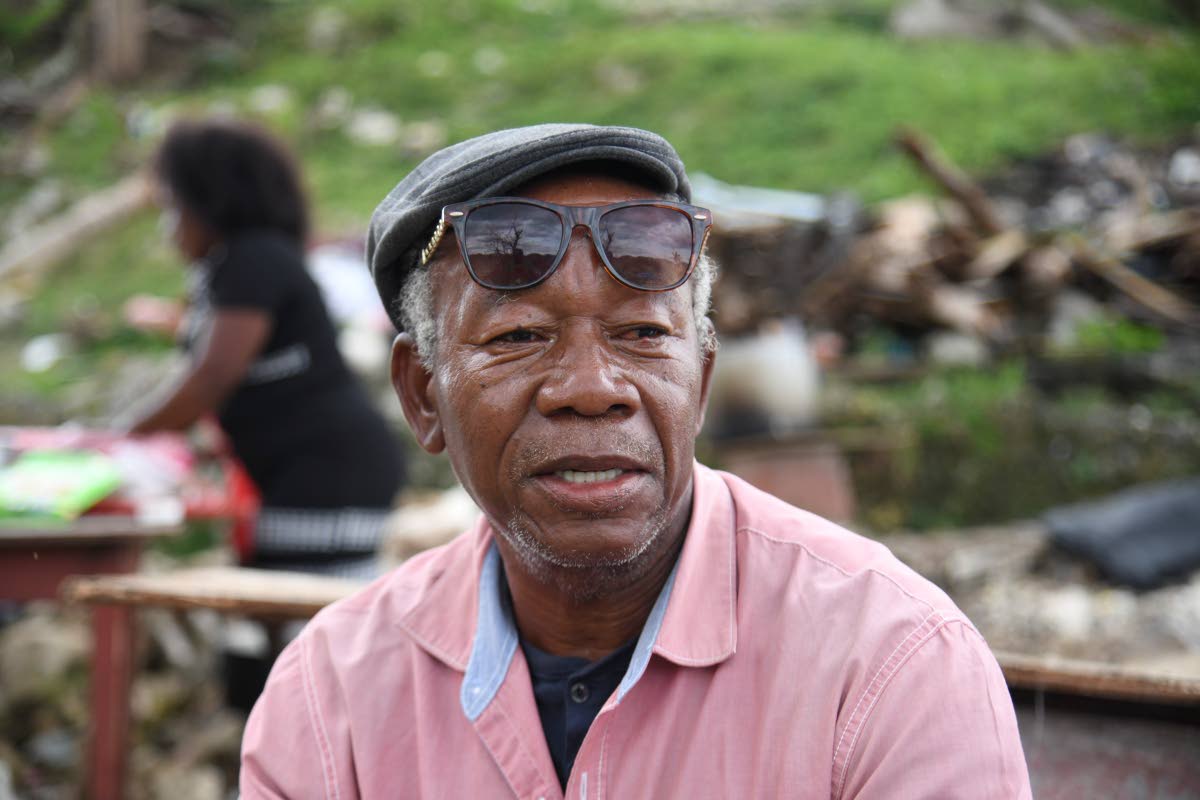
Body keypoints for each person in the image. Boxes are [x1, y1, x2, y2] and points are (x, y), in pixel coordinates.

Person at [241, 124, 1031, 799]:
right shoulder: (333, 694)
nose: (593, 390)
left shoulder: (890, 663)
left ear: (703, 380)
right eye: (519, 337)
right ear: (422, 396)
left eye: (644, 334)